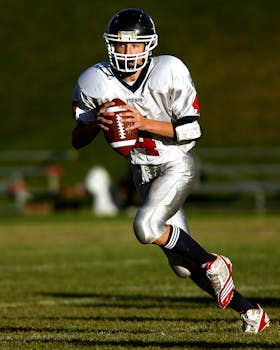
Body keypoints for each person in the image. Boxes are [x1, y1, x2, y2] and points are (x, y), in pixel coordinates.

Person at [71, 8, 270, 333]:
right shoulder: (95, 80)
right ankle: (250, 311)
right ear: (110, 46)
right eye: (121, 45)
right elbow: (78, 139)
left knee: (146, 227)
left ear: (148, 45)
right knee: (181, 266)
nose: (127, 52)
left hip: (176, 165)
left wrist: (142, 122)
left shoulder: (169, 69)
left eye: (134, 45)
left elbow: (192, 130)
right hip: (142, 173)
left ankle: (212, 262)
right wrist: (97, 121)